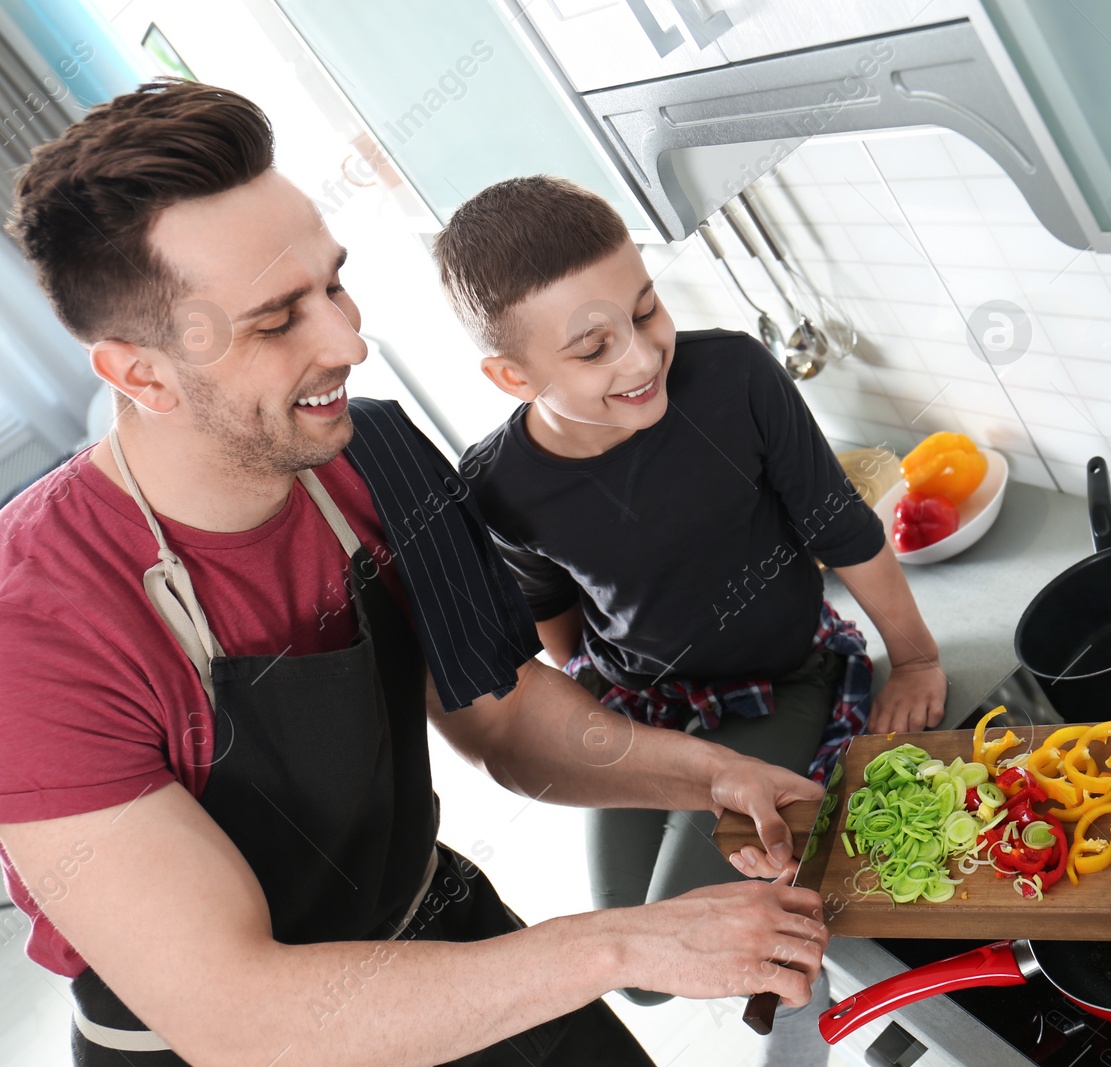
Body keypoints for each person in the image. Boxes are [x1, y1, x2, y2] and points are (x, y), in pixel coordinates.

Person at [0, 80, 828, 1067]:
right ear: (139, 374)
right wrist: (622, 941)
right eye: (277, 322)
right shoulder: (34, 630)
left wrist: (712, 772)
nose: (347, 342)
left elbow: (506, 715)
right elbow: (238, 1012)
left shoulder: (375, 457)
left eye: (333, 285)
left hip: (431, 929)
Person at [436, 176, 948, 1063]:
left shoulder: (735, 377)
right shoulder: (495, 484)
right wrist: (598, 699)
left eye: (646, 312)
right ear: (512, 376)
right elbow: (552, 613)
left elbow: (840, 524)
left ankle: (830, 1007)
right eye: (594, 348)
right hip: (639, 704)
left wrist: (914, 659)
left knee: (706, 919)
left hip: (782, 681)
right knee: (639, 967)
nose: (640, 358)